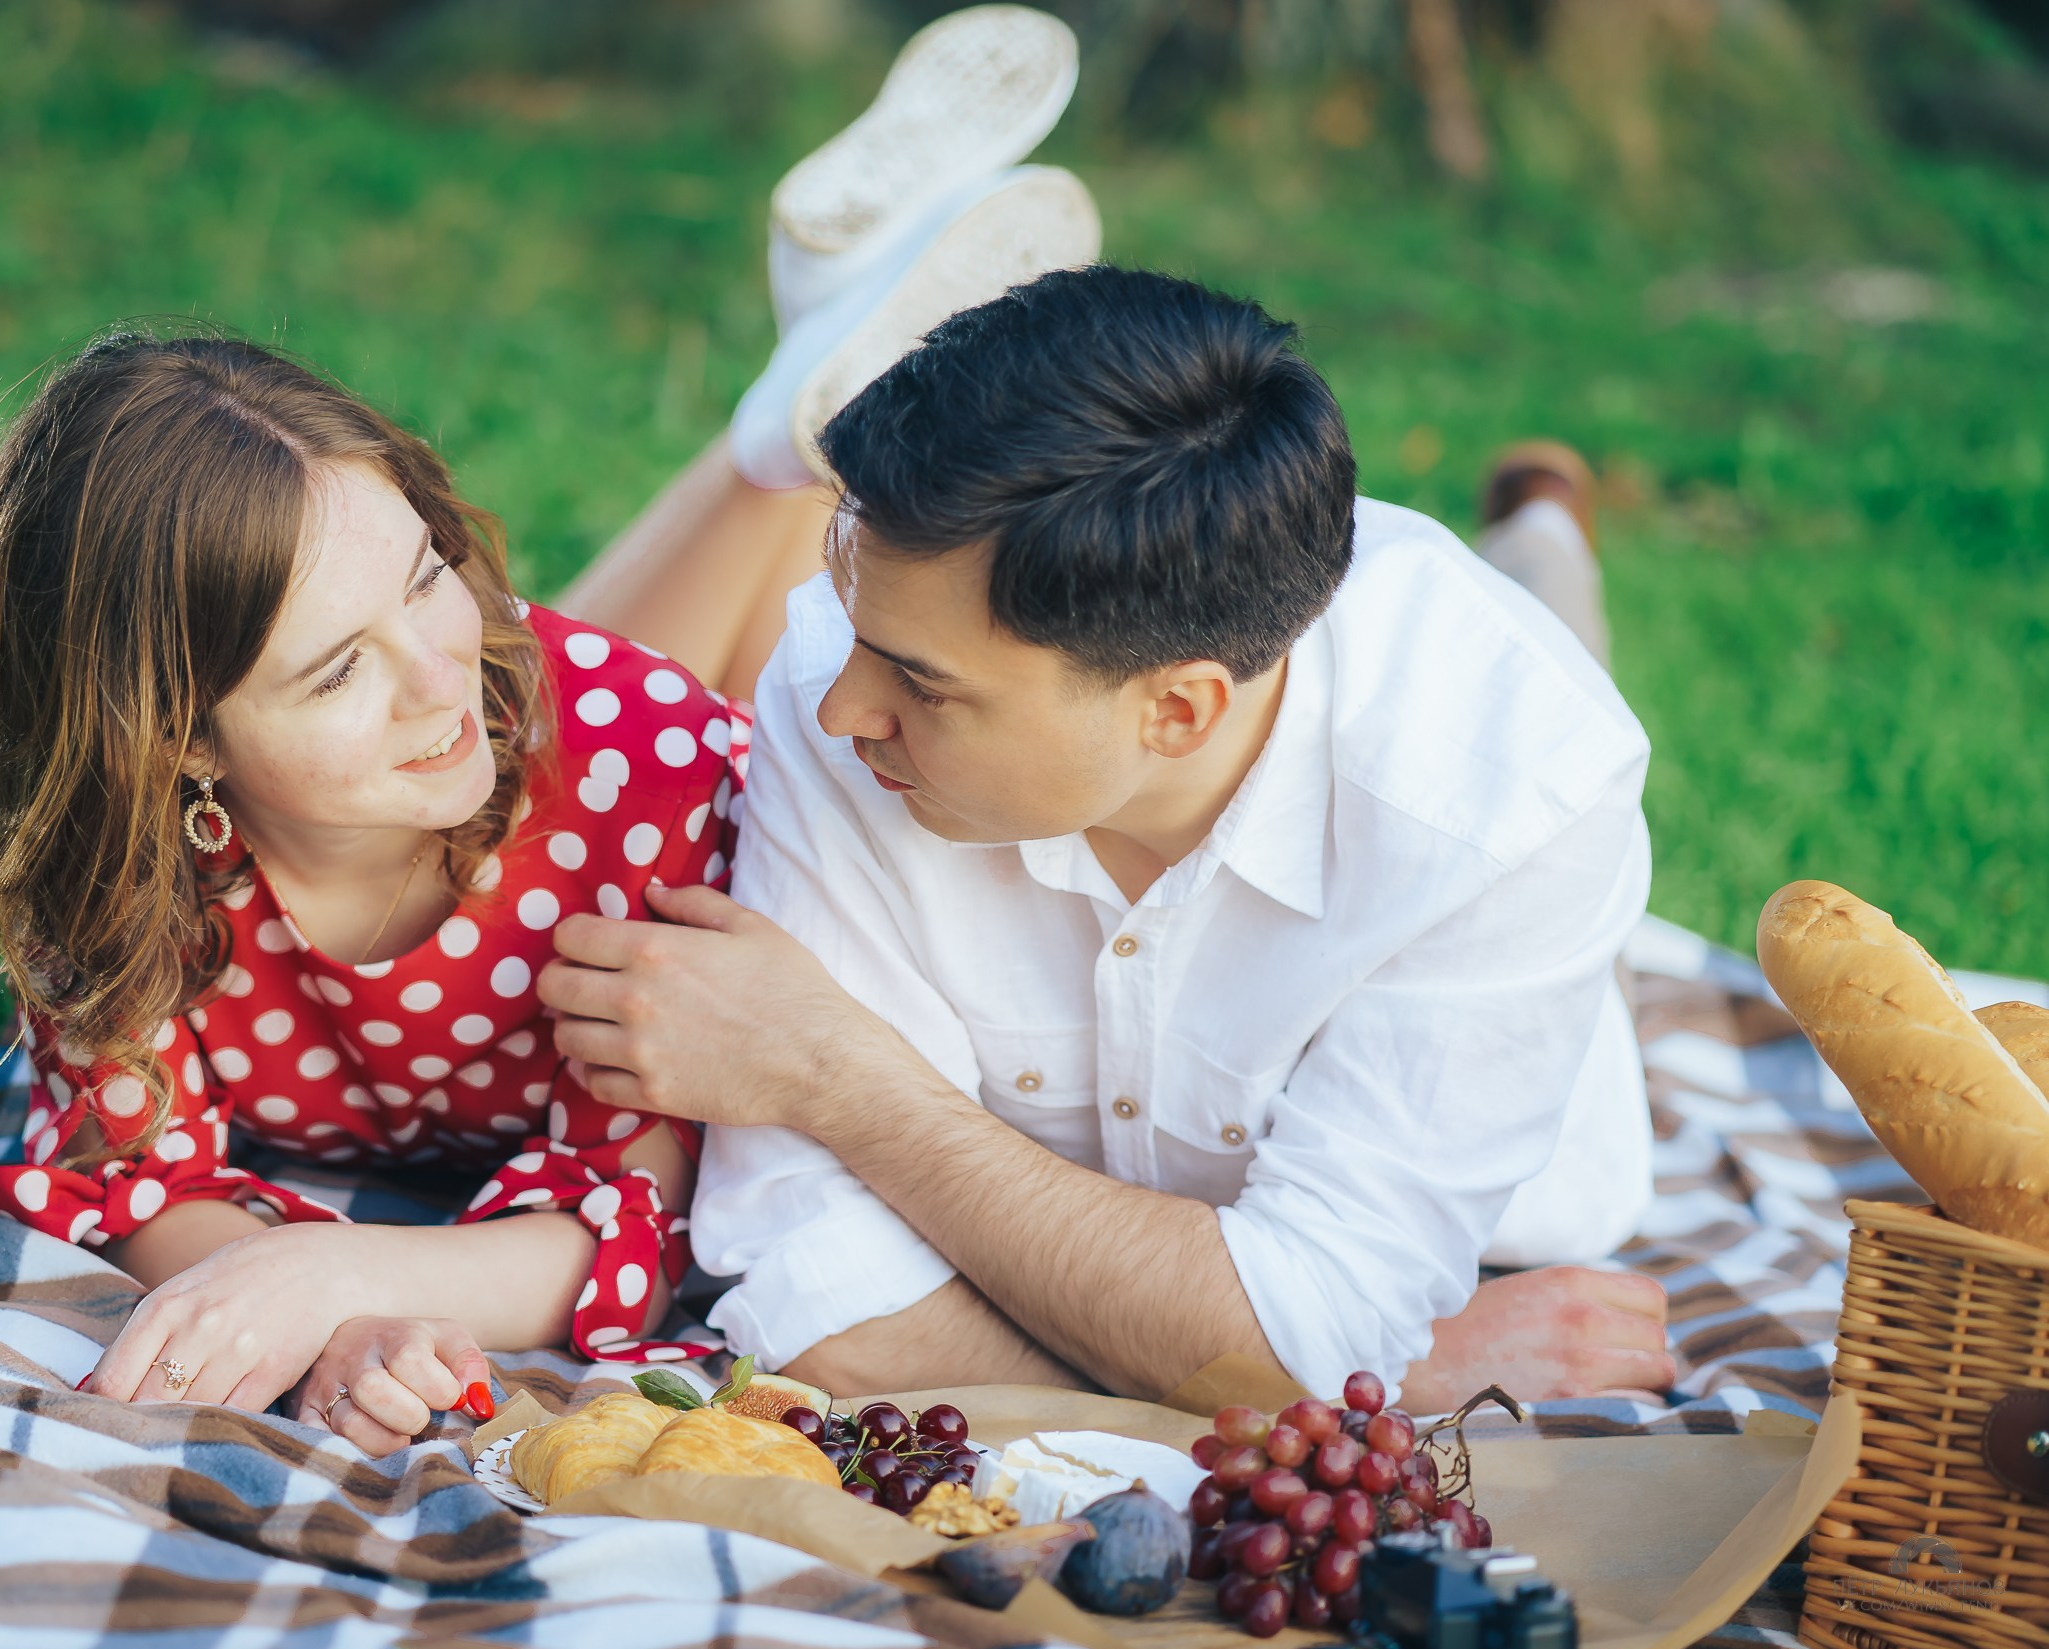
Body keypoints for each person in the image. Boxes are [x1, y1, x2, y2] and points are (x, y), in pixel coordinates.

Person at [0, 5, 1103, 1450]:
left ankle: (834, 420)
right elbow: (133, 1178)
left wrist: (342, 1265)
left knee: (668, 677)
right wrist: (340, 1313)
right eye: (335, 668)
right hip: (573, 732)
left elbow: (636, 1216)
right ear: (176, 744)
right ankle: (803, 394)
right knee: (568, 680)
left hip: (651, 750)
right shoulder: (119, 873)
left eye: (427, 571)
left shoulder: (643, 774)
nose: (434, 680)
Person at [534, 261, 1681, 1411]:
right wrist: (1312, 1374)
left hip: (1518, 1177)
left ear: (1177, 710)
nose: (840, 710)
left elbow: (1304, 1341)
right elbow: (828, 1312)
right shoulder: (850, 671)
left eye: (924, 686)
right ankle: (1536, 522)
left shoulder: (1517, 799)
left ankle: (1542, 537)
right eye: (859, 637)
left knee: (1545, 656)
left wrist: (841, 1074)